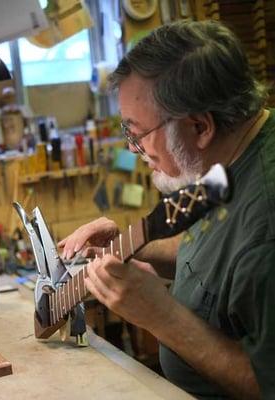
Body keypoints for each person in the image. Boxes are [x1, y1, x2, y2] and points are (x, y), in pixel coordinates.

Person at [58, 19, 275, 399]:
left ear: (199, 127)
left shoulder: (267, 230)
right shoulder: (231, 156)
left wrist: (160, 315)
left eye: (137, 133)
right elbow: (221, 260)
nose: (132, 150)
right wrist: (134, 244)